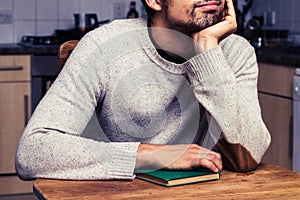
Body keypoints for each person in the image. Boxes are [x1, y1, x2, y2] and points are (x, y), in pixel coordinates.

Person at [16, 0, 271, 180]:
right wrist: (155, 156)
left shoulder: (233, 51)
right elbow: (33, 152)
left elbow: (247, 158)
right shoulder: (104, 45)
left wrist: (207, 53)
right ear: (155, 1)